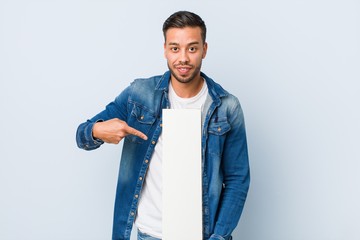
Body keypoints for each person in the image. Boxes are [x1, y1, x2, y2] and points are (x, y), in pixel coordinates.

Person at [76, 11, 250, 240]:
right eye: (175, 48)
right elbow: (82, 135)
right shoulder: (139, 94)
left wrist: (218, 236)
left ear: (204, 50)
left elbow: (238, 180)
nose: (183, 58)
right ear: (165, 49)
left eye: (192, 48)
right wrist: (97, 131)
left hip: (203, 235)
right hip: (150, 234)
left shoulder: (227, 107)